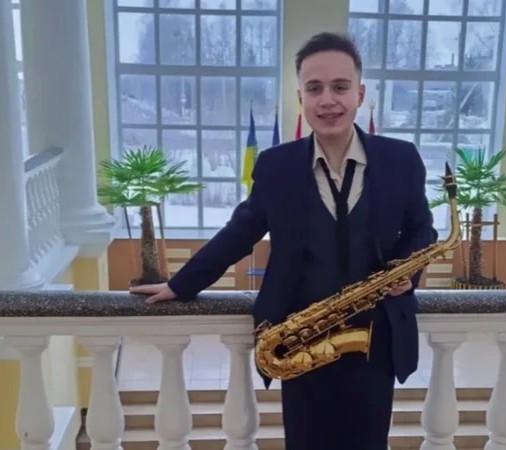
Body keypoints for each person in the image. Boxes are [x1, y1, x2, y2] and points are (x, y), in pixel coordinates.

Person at [130, 31, 437, 450]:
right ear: (300, 97)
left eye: (340, 87)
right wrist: (180, 284)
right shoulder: (277, 165)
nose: (327, 100)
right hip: (300, 338)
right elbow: (240, 231)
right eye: (314, 88)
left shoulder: (401, 158)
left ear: (360, 94)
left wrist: (407, 270)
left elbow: (423, 228)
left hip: (375, 338)